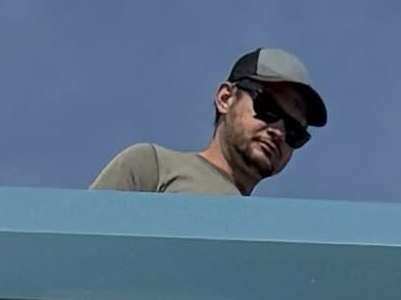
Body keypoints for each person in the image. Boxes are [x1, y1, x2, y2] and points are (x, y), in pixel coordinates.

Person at [92, 51, 326, 201]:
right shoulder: (152, 167)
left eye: (294, 132)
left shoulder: (267, 232)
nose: (279, 132)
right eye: (268, 109)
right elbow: (85, 248)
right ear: (225, 98)